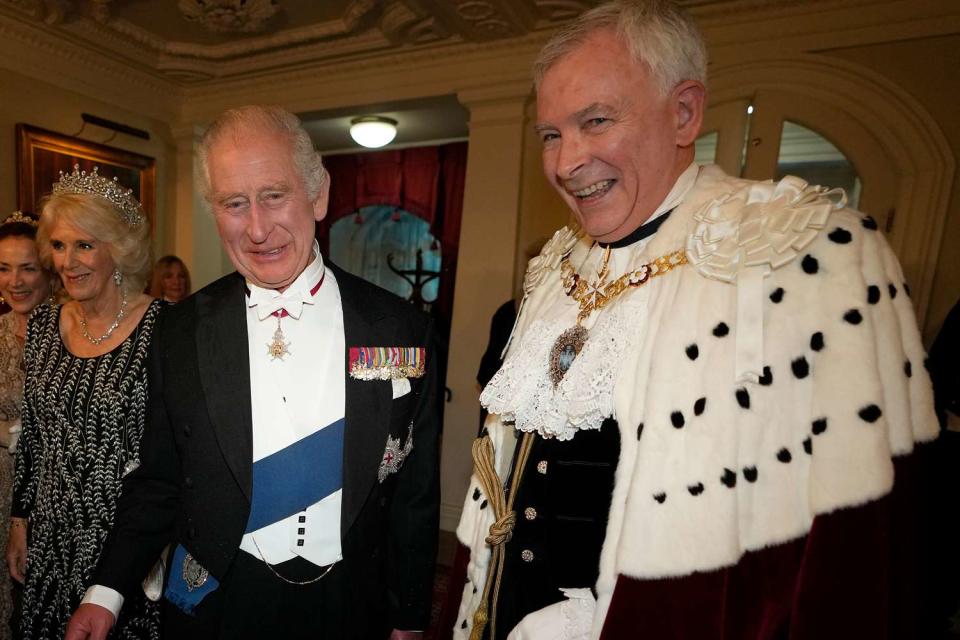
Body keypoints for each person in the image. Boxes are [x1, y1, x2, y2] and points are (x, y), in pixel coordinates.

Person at [452, 2, 939, 639]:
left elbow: (864, 552)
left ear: (684, 113)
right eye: (550, 135)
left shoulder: (806, 253)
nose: (566, 161)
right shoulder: (553, 269)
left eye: (595, 121)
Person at [66, 105, 441, 640]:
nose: (259, 229)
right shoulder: (181, 331)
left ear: (318, 194)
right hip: (222, 599)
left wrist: (408, 615)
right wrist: (105, 593)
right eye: (234, 203)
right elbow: (159, 480)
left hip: (351, 601)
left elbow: (414, 493)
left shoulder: (400, 328)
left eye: (274, 195)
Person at [5, 168, 162, 639]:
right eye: (58, 245)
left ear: (120, 249)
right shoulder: (45, 327)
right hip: (50, 536)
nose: (68, 261)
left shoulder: (163, 327)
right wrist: (19, 520)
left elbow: (169, 452)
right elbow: (33, 435)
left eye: (85, 245)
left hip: (123, 539)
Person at [0, 211, 55, 640]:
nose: (14, 281)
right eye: (3, 268)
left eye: (27, 268)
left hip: (52, 497)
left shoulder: (74, 332)